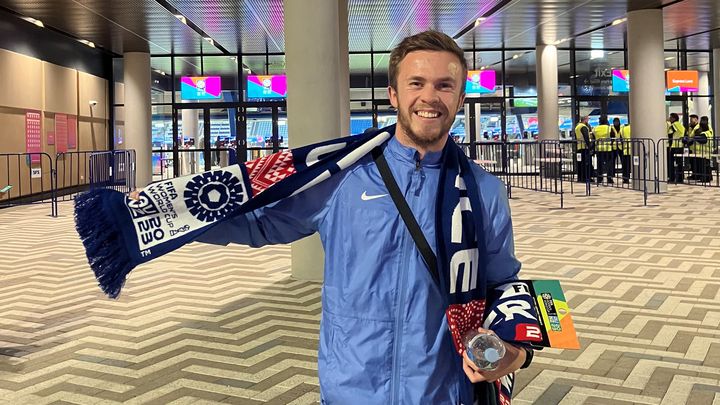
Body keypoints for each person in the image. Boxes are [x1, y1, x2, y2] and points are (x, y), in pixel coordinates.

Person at [195, 31, 530, 404]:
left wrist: (517, 351)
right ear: (393, 94)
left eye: (445, 85)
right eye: (416, 83)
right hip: (352, 388)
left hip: (442, 392)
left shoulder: (483, 190)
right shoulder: (344, 178)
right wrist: (160, 216)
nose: (430, 97)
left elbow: (503, 282)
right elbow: (258, 221)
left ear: (461, 98)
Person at [593, 115, 614, 184]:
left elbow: (593, 138)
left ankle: (599, 178)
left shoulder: (595, 128)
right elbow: (613, 136)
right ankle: (609, 178)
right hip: (608, 148)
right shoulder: (609, 128)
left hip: (599, 149)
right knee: (609, 164)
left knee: (599, 164)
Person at [667, 112, 686, 183]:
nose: (669, 119)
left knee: (671, 163)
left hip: (674, 146)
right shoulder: (680, 125)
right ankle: (680, 178)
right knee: (679, 163)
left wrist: (670, 145)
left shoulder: (673, 125)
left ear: (674, 118)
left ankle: (672, 178)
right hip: (680, 145)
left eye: (670, 117)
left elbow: (670, 134)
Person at [574, 116, 592, 183]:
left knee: (580, 163)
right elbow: (586, 137)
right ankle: (585, 177)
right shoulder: (583, 127)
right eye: (587, 119)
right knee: (585, 163)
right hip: (584, 147)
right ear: (585, 120)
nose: (588, 121)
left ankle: (580, 177)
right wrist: (589, 146)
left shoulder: (577, 127)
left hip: (579, 147)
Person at [684, 114, 699, 180]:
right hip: (691, 147)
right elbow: (688, 135)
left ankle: (697, 175)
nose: (690, 121)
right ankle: (693, 174)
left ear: (696, 119)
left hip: (697, 147)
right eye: (690, 119)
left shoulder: (698, 127)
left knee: (697, 163)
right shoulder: (689, 127)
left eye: (692, 119)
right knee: (692, 162)